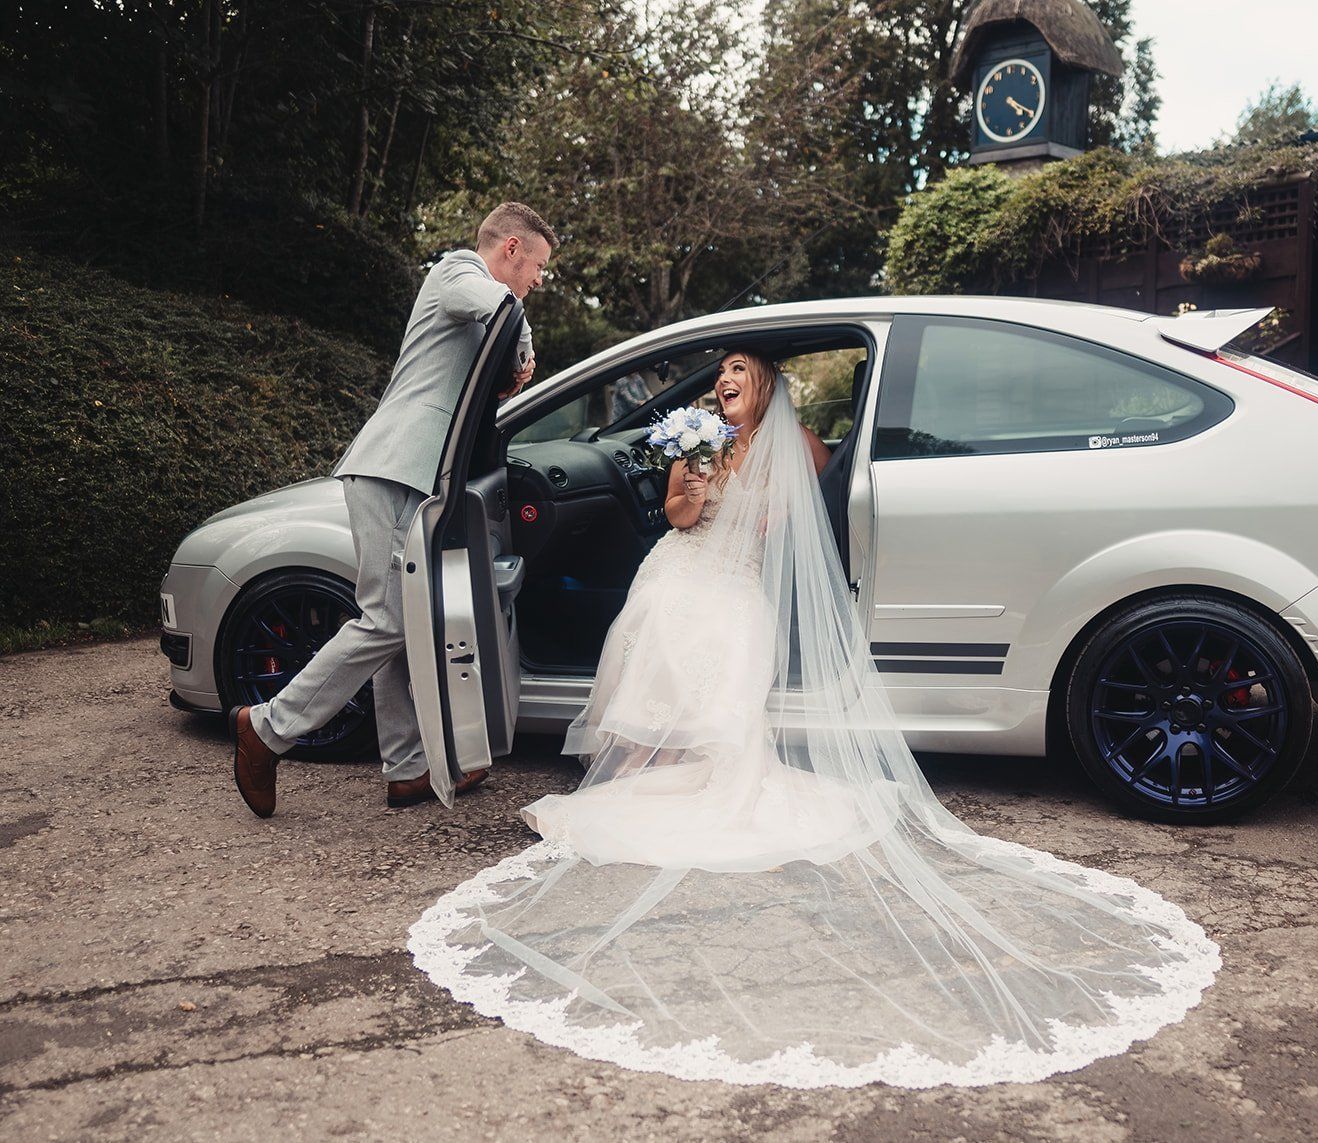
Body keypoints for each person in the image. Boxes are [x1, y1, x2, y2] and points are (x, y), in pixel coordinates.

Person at [408, 345, 1220, 1087]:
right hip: (682, 564)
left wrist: (747, 497)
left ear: (764, 384)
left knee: (705, 627)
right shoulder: (696, 441)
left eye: (736, 371)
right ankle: (656, 761)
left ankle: (680, 769)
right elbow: (682, 520)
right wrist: (690, 474)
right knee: (652, 614)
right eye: (715, 377)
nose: (722, 383)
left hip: (732, 584)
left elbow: (797, 510)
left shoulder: (795, 448)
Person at [230, 202, 557, 818]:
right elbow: (500, 309)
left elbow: (500, 341)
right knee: (385, 617)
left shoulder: (483, 295)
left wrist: (513, 363)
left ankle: (406, 769)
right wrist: (524, 348)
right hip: (390, 467)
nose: (538, 279)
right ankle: (267, 728)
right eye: (537, 266)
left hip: (419, 476)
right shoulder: (457, 272)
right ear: (509, 248)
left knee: (400, 618)